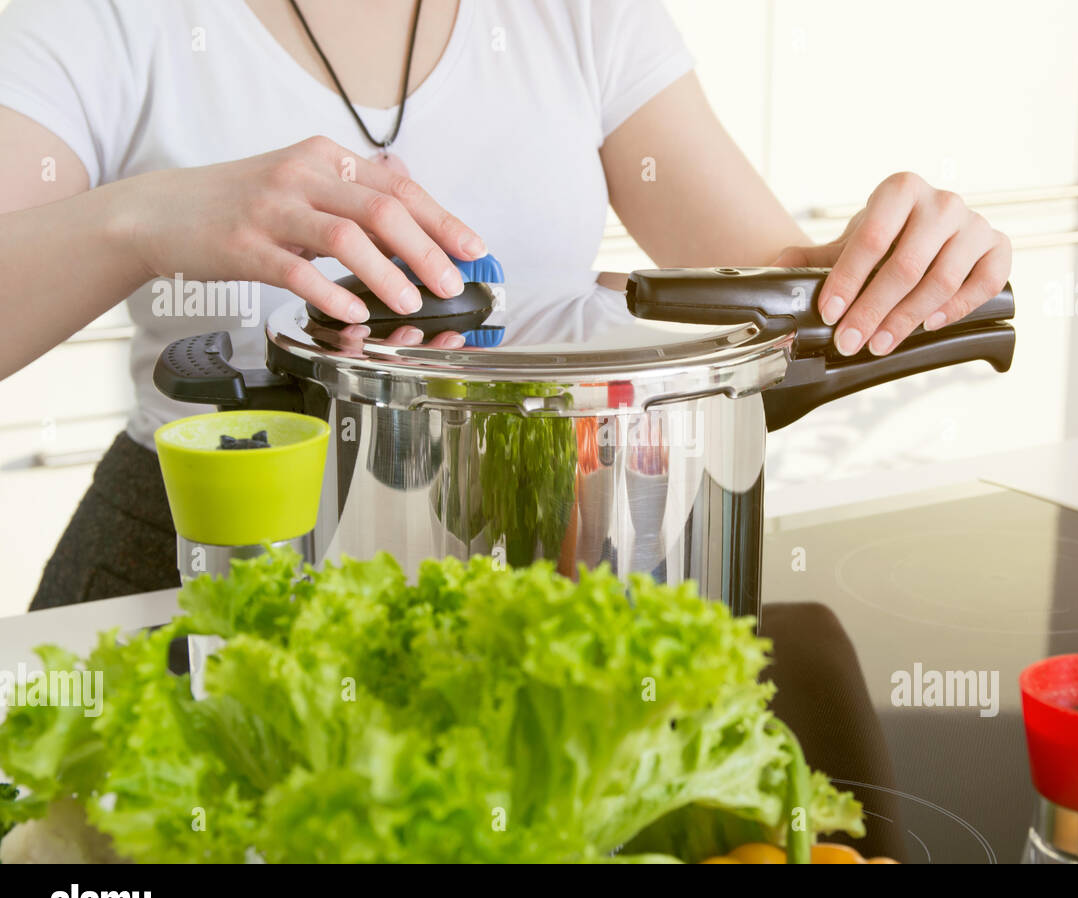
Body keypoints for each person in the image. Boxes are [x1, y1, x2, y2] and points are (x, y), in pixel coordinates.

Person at [0, 0, 1011, 608]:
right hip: (205, 556)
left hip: (542, 558)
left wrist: (904, 259)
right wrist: (138, 218)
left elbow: (774, 292)